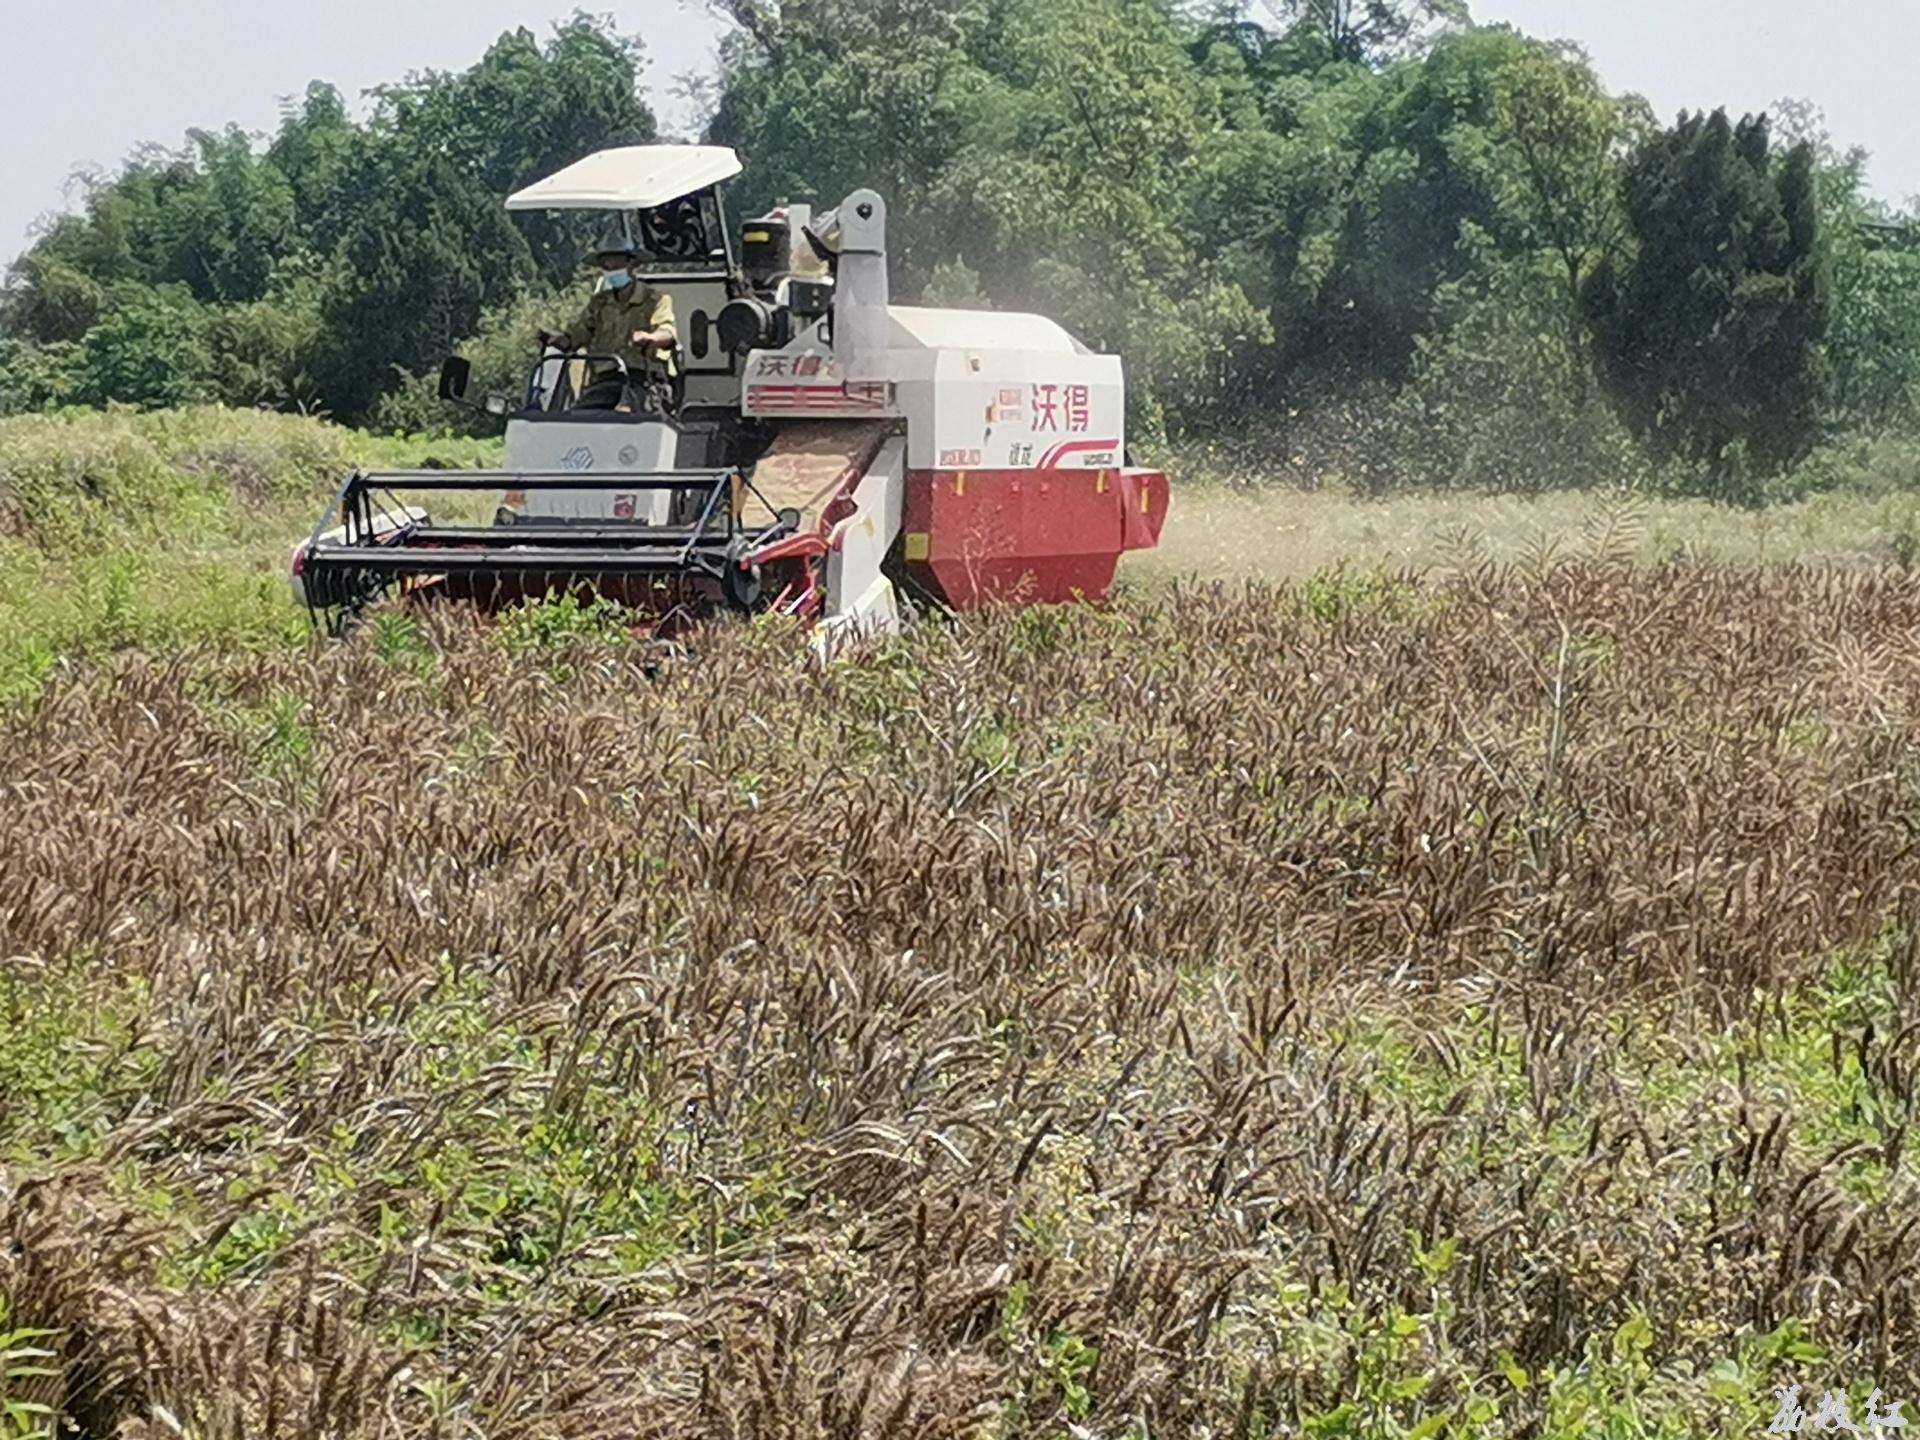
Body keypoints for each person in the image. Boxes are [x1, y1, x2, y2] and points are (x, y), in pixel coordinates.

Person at [545, 240, 677, 411]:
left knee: (624, 414)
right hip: (604, 382)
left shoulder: (656, 300)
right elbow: (576, 336)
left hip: (645, 382)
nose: (611, 269)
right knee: (579, 417)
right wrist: (555, 340)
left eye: (616, 264)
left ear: (632, 265)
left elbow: (667, 333)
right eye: (606, 265)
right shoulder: (599, 304)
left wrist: (651, 338)